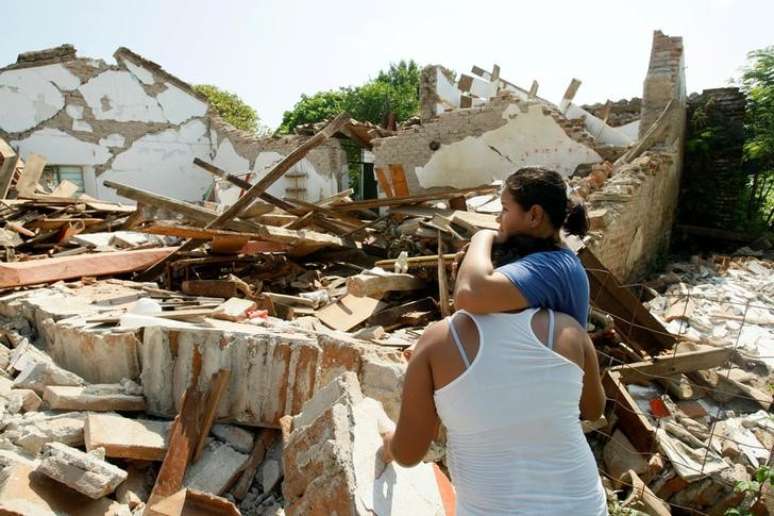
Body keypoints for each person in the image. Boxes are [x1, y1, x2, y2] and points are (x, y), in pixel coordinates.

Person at [381, 306, 607, 515]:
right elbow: (594, 410)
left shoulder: (438, 339)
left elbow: (408, 454)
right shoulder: (566, 328)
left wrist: (391, 443)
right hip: (582, 505)